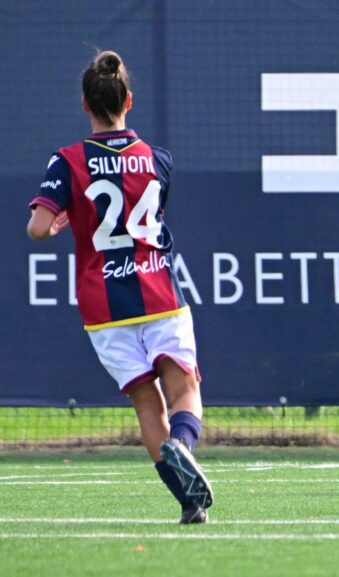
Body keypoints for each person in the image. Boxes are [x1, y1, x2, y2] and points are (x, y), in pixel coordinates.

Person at [26, 50, 214, 522]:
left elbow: (37, 226)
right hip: (158, 292)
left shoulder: (67, 160)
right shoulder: (158, 159)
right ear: (128, 100)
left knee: (147, 405)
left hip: (103, 307)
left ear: (85, 105)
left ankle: (189, 502)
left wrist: (54, 226)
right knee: (184, 387)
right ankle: (183, 445)